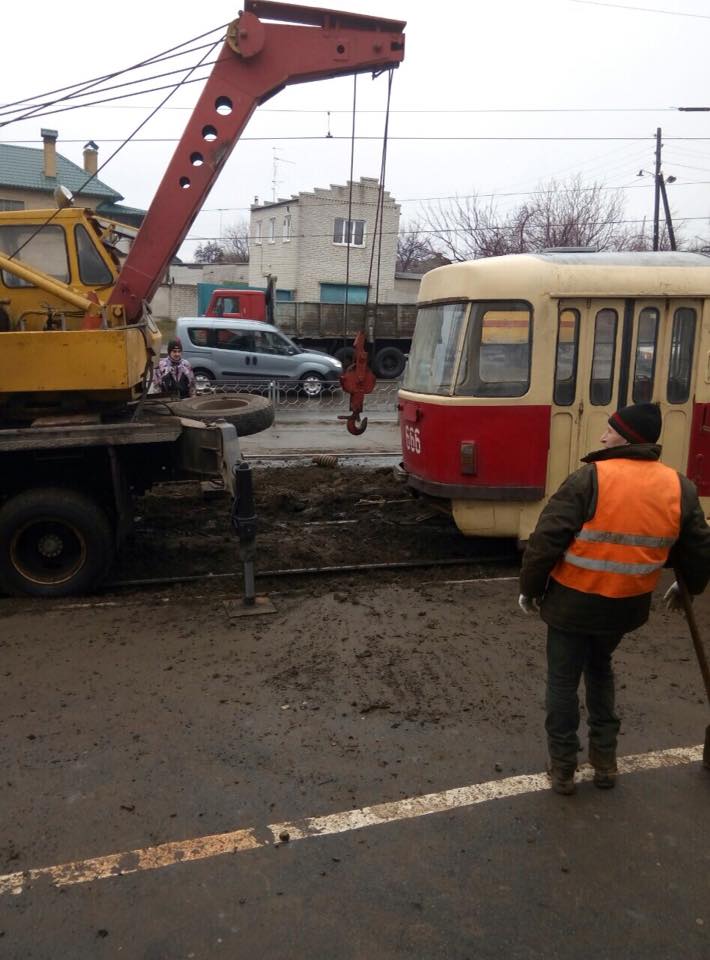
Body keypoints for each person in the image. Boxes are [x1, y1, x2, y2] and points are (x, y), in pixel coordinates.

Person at [519, 402, 710, 795]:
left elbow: (545, 541)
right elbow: (698, 549)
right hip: (625, 607)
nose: (603, 436)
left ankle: (563, 768)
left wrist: (530, 588)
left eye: (610, 430)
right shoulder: (679, 487)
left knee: (562, 681)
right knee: (601, 669)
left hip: (572, 604)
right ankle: (604, 762)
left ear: (625, 437)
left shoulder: (589, 480)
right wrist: (688, 585)